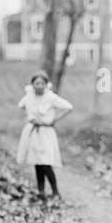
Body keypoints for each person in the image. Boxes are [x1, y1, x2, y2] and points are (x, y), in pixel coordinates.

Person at [16, 71, 74, 202]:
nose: (39, 86)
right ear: (32, 85)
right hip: (33, 132)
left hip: (46, 132)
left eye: (42, 83)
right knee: (37, 162)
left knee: (46, 162)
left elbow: (68, 107)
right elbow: (21, 106)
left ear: (46, 84)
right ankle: (40, 191)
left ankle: (55, 191)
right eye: (37, 83)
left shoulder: (50, 97)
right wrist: (31, 117)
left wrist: (54, 119)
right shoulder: (29, 97)